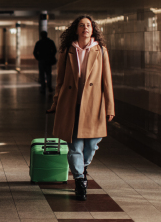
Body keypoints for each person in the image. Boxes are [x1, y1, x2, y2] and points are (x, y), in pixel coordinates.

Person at [47, 15, 115, 201]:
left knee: (93, 142)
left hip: (94, 105)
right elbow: (60, 81)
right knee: (74, 145)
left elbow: (107, 81)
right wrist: (55, 103)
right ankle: (79, 180)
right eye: (81, 25)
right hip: (71, 104)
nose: (85, 28)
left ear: (93, 29)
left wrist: (110, 106)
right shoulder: (67, 50)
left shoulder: (100, 50)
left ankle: (82, 166)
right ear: (76, 29)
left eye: (88, 25)